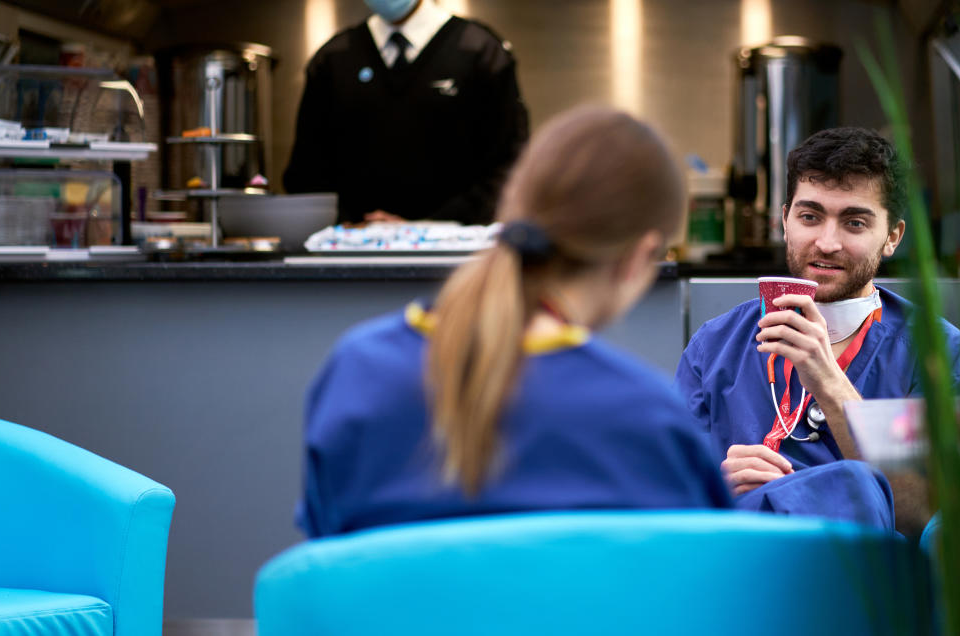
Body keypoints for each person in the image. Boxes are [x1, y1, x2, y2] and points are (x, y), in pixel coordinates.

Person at [297, 105, 732, 537]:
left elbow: (326, 556)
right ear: (639, 258)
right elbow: (703, 586)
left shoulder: (355, 371)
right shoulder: (649, 419)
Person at [675, 127, 960, 536]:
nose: (827, 242)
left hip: (861, 588)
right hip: (739, 575)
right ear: (785, 220)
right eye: (810, 217)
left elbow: (928, 519)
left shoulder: (937, 353)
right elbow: (669, 505)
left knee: (860, 487)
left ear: (892, 237)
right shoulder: (713, 348)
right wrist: (716, 485)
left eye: (854, 222)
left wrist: (830, 382)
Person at [283, 0, 528, 225]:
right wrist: (354, 226)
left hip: (456, 257)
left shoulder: (481, 53)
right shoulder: (333, 60)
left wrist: (426, 229)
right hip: (351, 253)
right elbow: (305, 173)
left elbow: (511, 169)